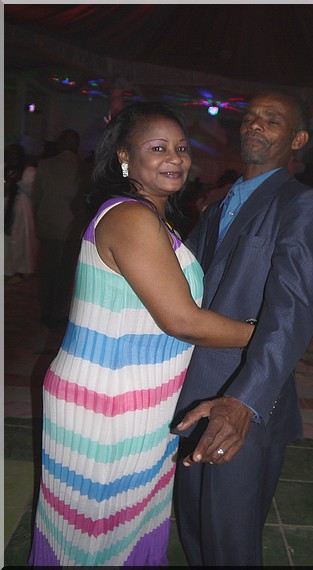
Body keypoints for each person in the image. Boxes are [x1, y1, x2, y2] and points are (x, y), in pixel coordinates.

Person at [28, 102, 255, 567]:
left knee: (123, 526)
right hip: (108, 402)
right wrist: (261, 335)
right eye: (158, 148)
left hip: (137, 396)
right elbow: (182, 320)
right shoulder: (131, 217)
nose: (175, 158)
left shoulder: (151, 217)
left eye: (181, 148)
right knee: (98, 535)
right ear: (124, 158)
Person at [170, 89, 313, 566]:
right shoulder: (220, 204)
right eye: (249, 117)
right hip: (193, 394)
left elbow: (294, 310)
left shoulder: (304, 205)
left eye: (272, 119)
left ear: (298, 139)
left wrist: (244, 401)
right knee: (195, 531)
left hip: (243, 402)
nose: (254, 124)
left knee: (230, 543)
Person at [32, 129, 92, 328]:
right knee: (65, 272)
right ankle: (58, 311)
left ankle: (45, 309)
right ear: (77, 145)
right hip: (72, 226)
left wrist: (38, 219)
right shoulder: (85, 168)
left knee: (47, 270)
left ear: (60, 144)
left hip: (48, 223)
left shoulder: (45, 164)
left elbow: (36, 197)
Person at [4, 143, 38, 283]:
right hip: (5, 208)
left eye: (15, 154)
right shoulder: (3, 168)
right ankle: (6, 270)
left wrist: (18, 181)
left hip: (22, 210)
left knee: (21, 241)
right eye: (10, 154)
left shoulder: (28, 171)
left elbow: (34, 192)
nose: (13, 157)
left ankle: (21, 270)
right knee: (5, 241)